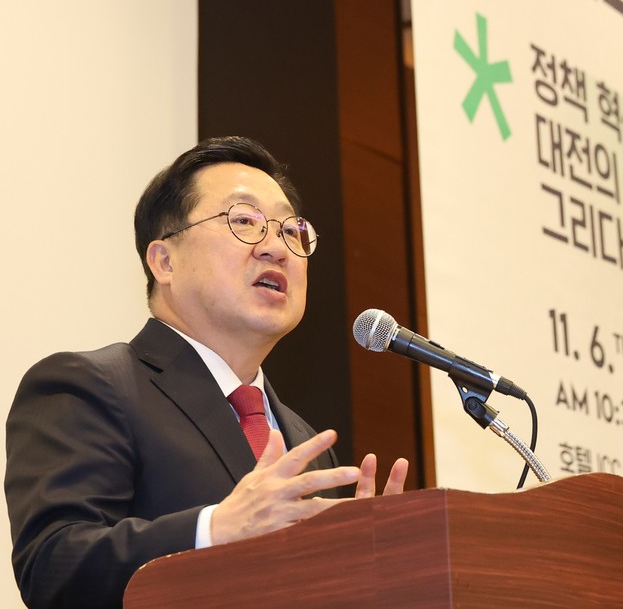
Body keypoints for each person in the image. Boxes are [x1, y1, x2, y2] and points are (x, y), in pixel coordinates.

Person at [5, 136, 408, 608]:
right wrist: (214, 529)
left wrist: (362, 576)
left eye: (290, 230)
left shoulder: (307, 445)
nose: (277, 248)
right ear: (165, 261)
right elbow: (52, 567)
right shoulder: (87, 386)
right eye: (244, 221)